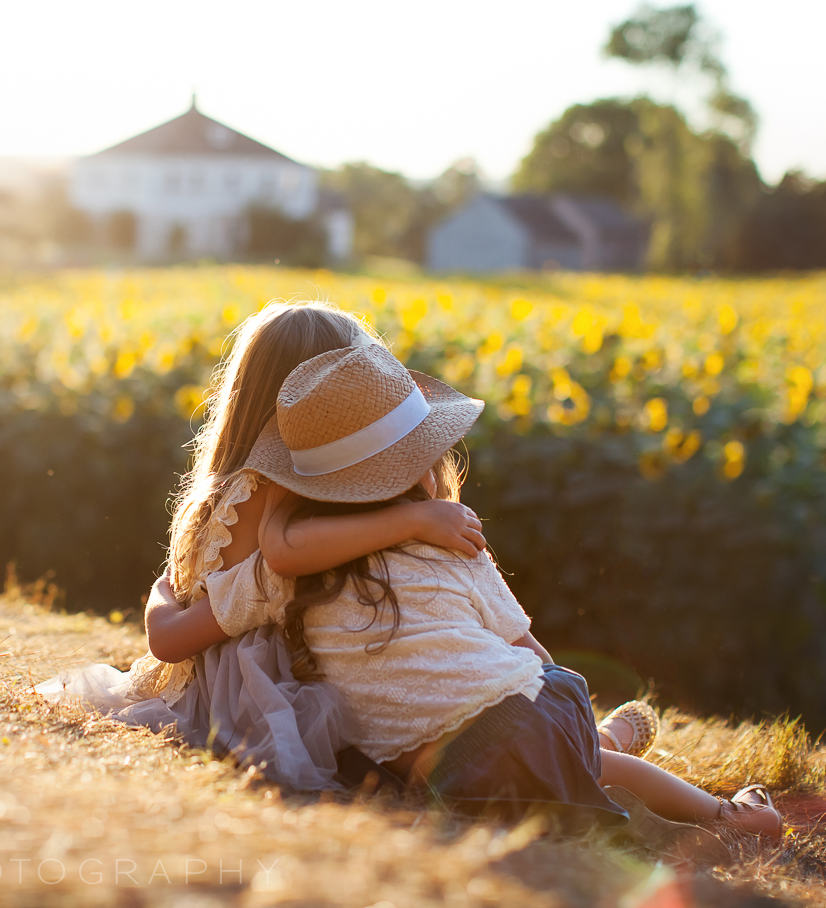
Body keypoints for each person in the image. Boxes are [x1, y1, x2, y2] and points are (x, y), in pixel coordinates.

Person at [150, 342, 783, 849]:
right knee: (574, 750)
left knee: (550, 758)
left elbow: (195, 616)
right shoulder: (454, 540)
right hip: (527, 709)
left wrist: (165, 593)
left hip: (450, 773)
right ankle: (722, 812)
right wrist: (569, 700)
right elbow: (527, 649)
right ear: (423, 467)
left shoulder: (291, 570)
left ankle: (599, 743)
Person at [36, 301, 486, 790]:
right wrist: (414, 518)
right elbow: (177, 637)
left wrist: (161, 597)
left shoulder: (229, 488)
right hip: (257, 698)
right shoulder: (280, 504)